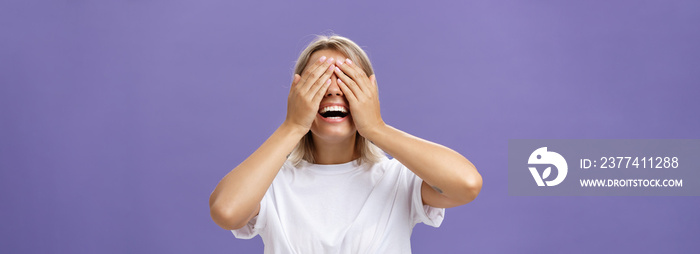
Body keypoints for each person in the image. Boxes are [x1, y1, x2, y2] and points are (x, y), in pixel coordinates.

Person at [209, 34, 483, 253]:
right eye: (319, 80)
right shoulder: (270, 183)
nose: (333, 89)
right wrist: (292, 125)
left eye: (347, 80)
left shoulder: (398, 179)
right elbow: (226, 211)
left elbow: (467, 184)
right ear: (297, 94)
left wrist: (376, 127)